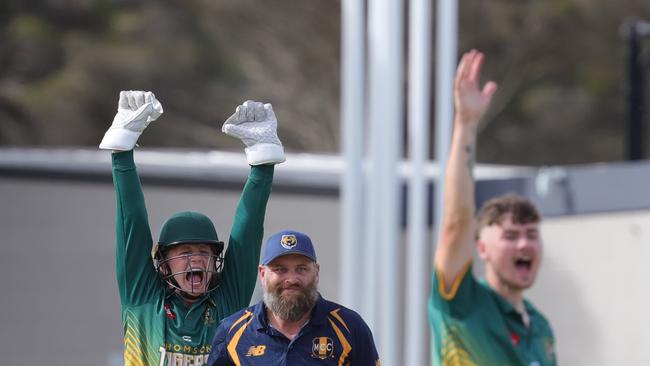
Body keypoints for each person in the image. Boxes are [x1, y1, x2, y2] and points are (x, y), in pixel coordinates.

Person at [99, 90, 285, 366]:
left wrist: (262, 164)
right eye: (185, 252)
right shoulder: (142, 297)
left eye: (203, 251)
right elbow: (132, 222)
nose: (196, 258)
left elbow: (248, 231)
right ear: (163, 265)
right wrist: (122, 152)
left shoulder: (228, 302)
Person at [428, 50, 557, 365]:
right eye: (510, 236)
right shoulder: (461, 302)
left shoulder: (541, 328)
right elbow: (456, 222)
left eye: (530, 234)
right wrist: (466, 123)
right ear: (481, 248)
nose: (524, 243)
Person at [207, 230, 380, 365]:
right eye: (280, 269)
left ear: (316, 272)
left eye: (301, 269)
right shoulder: (232, 332)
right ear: (262, 274)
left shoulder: (350, 327)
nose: (291, 279)